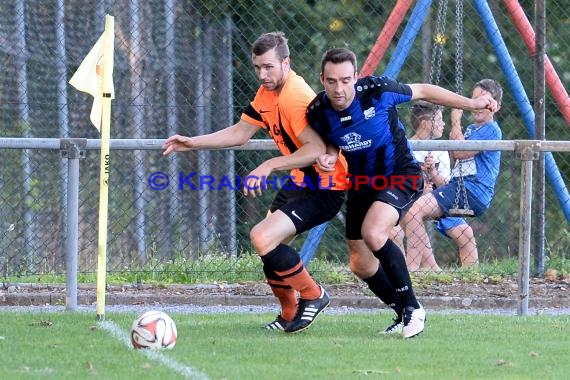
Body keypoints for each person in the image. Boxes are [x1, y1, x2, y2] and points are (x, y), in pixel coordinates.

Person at [162, 32, 347, 333]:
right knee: (269, 247)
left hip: (326, 185)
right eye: (258, 67)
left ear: (286, 63)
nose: (262, 74)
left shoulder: (294, 96)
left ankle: (314, 295)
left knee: (262, 237)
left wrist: (268, 165)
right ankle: (289, 315)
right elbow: (240, 132)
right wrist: (192, 142)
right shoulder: (268, 93)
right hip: (300, 181)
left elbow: (315, 149)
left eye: (269, 67)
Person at [307, 48, 498, 338]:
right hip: (361, 184)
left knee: (374, 233)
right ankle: (402, 311)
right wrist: (329, 156)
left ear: (355, 77)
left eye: (346, 80)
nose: (339, 88)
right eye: (331, 81)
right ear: (322, 79)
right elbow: (332, 139)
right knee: (360, 263)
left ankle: (413, 308)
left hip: (400, 174)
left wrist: (471, 103)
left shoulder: (377, 91)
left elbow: (424, 90)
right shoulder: (318, 111)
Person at [404, 79, 503, 272]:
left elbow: (459, 152)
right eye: (474, 99)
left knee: (414, 211)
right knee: (464, 233)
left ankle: (412, 270)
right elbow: (457, 157)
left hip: (471, 191)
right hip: (457, 190)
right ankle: (470, 276)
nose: (478, 104)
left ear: (495, 106)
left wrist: (455, 120)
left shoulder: (491, 129)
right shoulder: (473, 129)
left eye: (484, 100)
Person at [391, 101, 478, 271]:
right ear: (425, 124)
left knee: (466, 233)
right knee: (407, 222)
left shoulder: (440, 149)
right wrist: (419, 190)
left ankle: (470, 276)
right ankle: (422, 268)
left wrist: (432, 173)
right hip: (409, 202)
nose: (443, 124)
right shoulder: (405, 149)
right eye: (439, 120)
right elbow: (396, 182)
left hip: (436, 202)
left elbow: (445, 184)